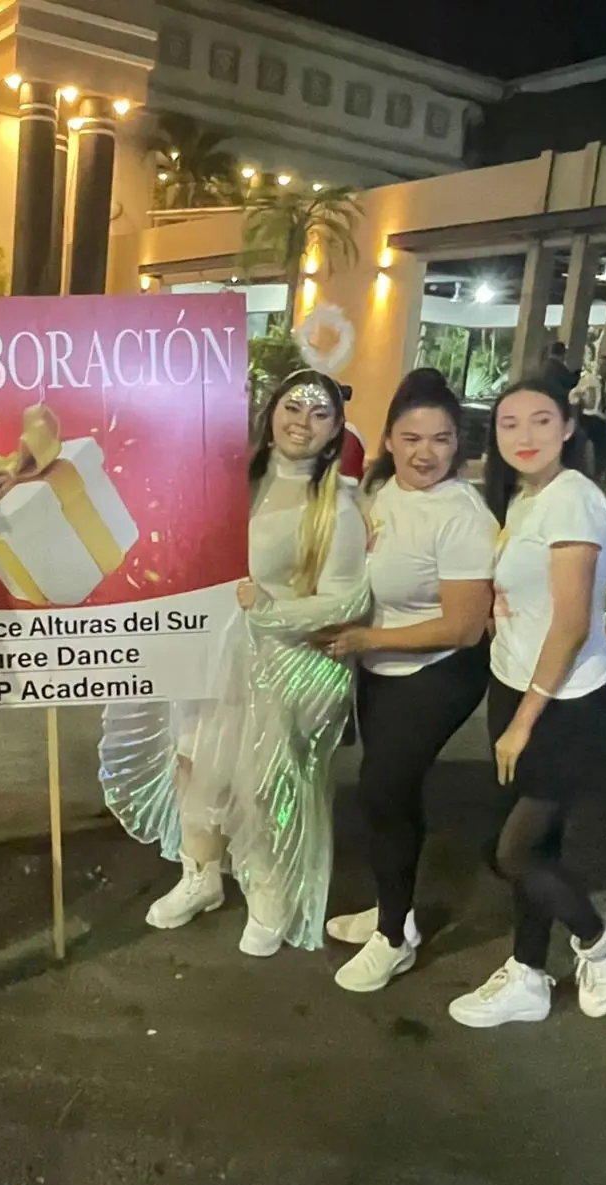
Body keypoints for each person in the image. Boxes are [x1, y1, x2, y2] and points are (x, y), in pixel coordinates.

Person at [101, 370, 369, 956]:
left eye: (319, 413)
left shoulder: (337, 506)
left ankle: (269, 892)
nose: (302, 421)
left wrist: (270, 609)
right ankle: (201, 877)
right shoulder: (231, 479)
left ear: (335, 429)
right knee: (193, 765)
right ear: (271, 411)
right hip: (209, 650)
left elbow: (349, 599)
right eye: (293, 406)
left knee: (262, 781)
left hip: (285, 663)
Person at [448, 379, 606, 1028]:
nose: (523, 436)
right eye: (508, 424)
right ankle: (528, 974)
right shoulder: (526, 499)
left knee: (514, 853)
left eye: (539, 421)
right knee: (539, 848)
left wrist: (522, 723)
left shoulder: (574, 501)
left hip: (563, 704)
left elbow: (572, 625)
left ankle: (600, 938)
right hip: (515, 683)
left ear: (566, 428)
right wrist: (504, 614)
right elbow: (535, 600)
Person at [322, 369, 497, 993]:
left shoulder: (462, 515)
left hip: (437, 672)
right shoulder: (376, 490)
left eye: (442, 439)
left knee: (381, 786)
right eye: (412, 436)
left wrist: (367, 639)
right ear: (389, 439)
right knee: (390, 794)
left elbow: (464, 626)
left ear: (460, 444)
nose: (426, 452)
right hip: (379, 666)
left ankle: (393, 938)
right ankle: (392, 907)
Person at [571, 354, 606, 485]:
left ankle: (600, 472)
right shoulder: (589, 379)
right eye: (598, 364)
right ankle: (580, 469)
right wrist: (580, 401)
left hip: (602, 418)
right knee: (581, 440)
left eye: (604, 365)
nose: (600, 368)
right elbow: (573, 394)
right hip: (588, 415)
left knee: (603, 445)